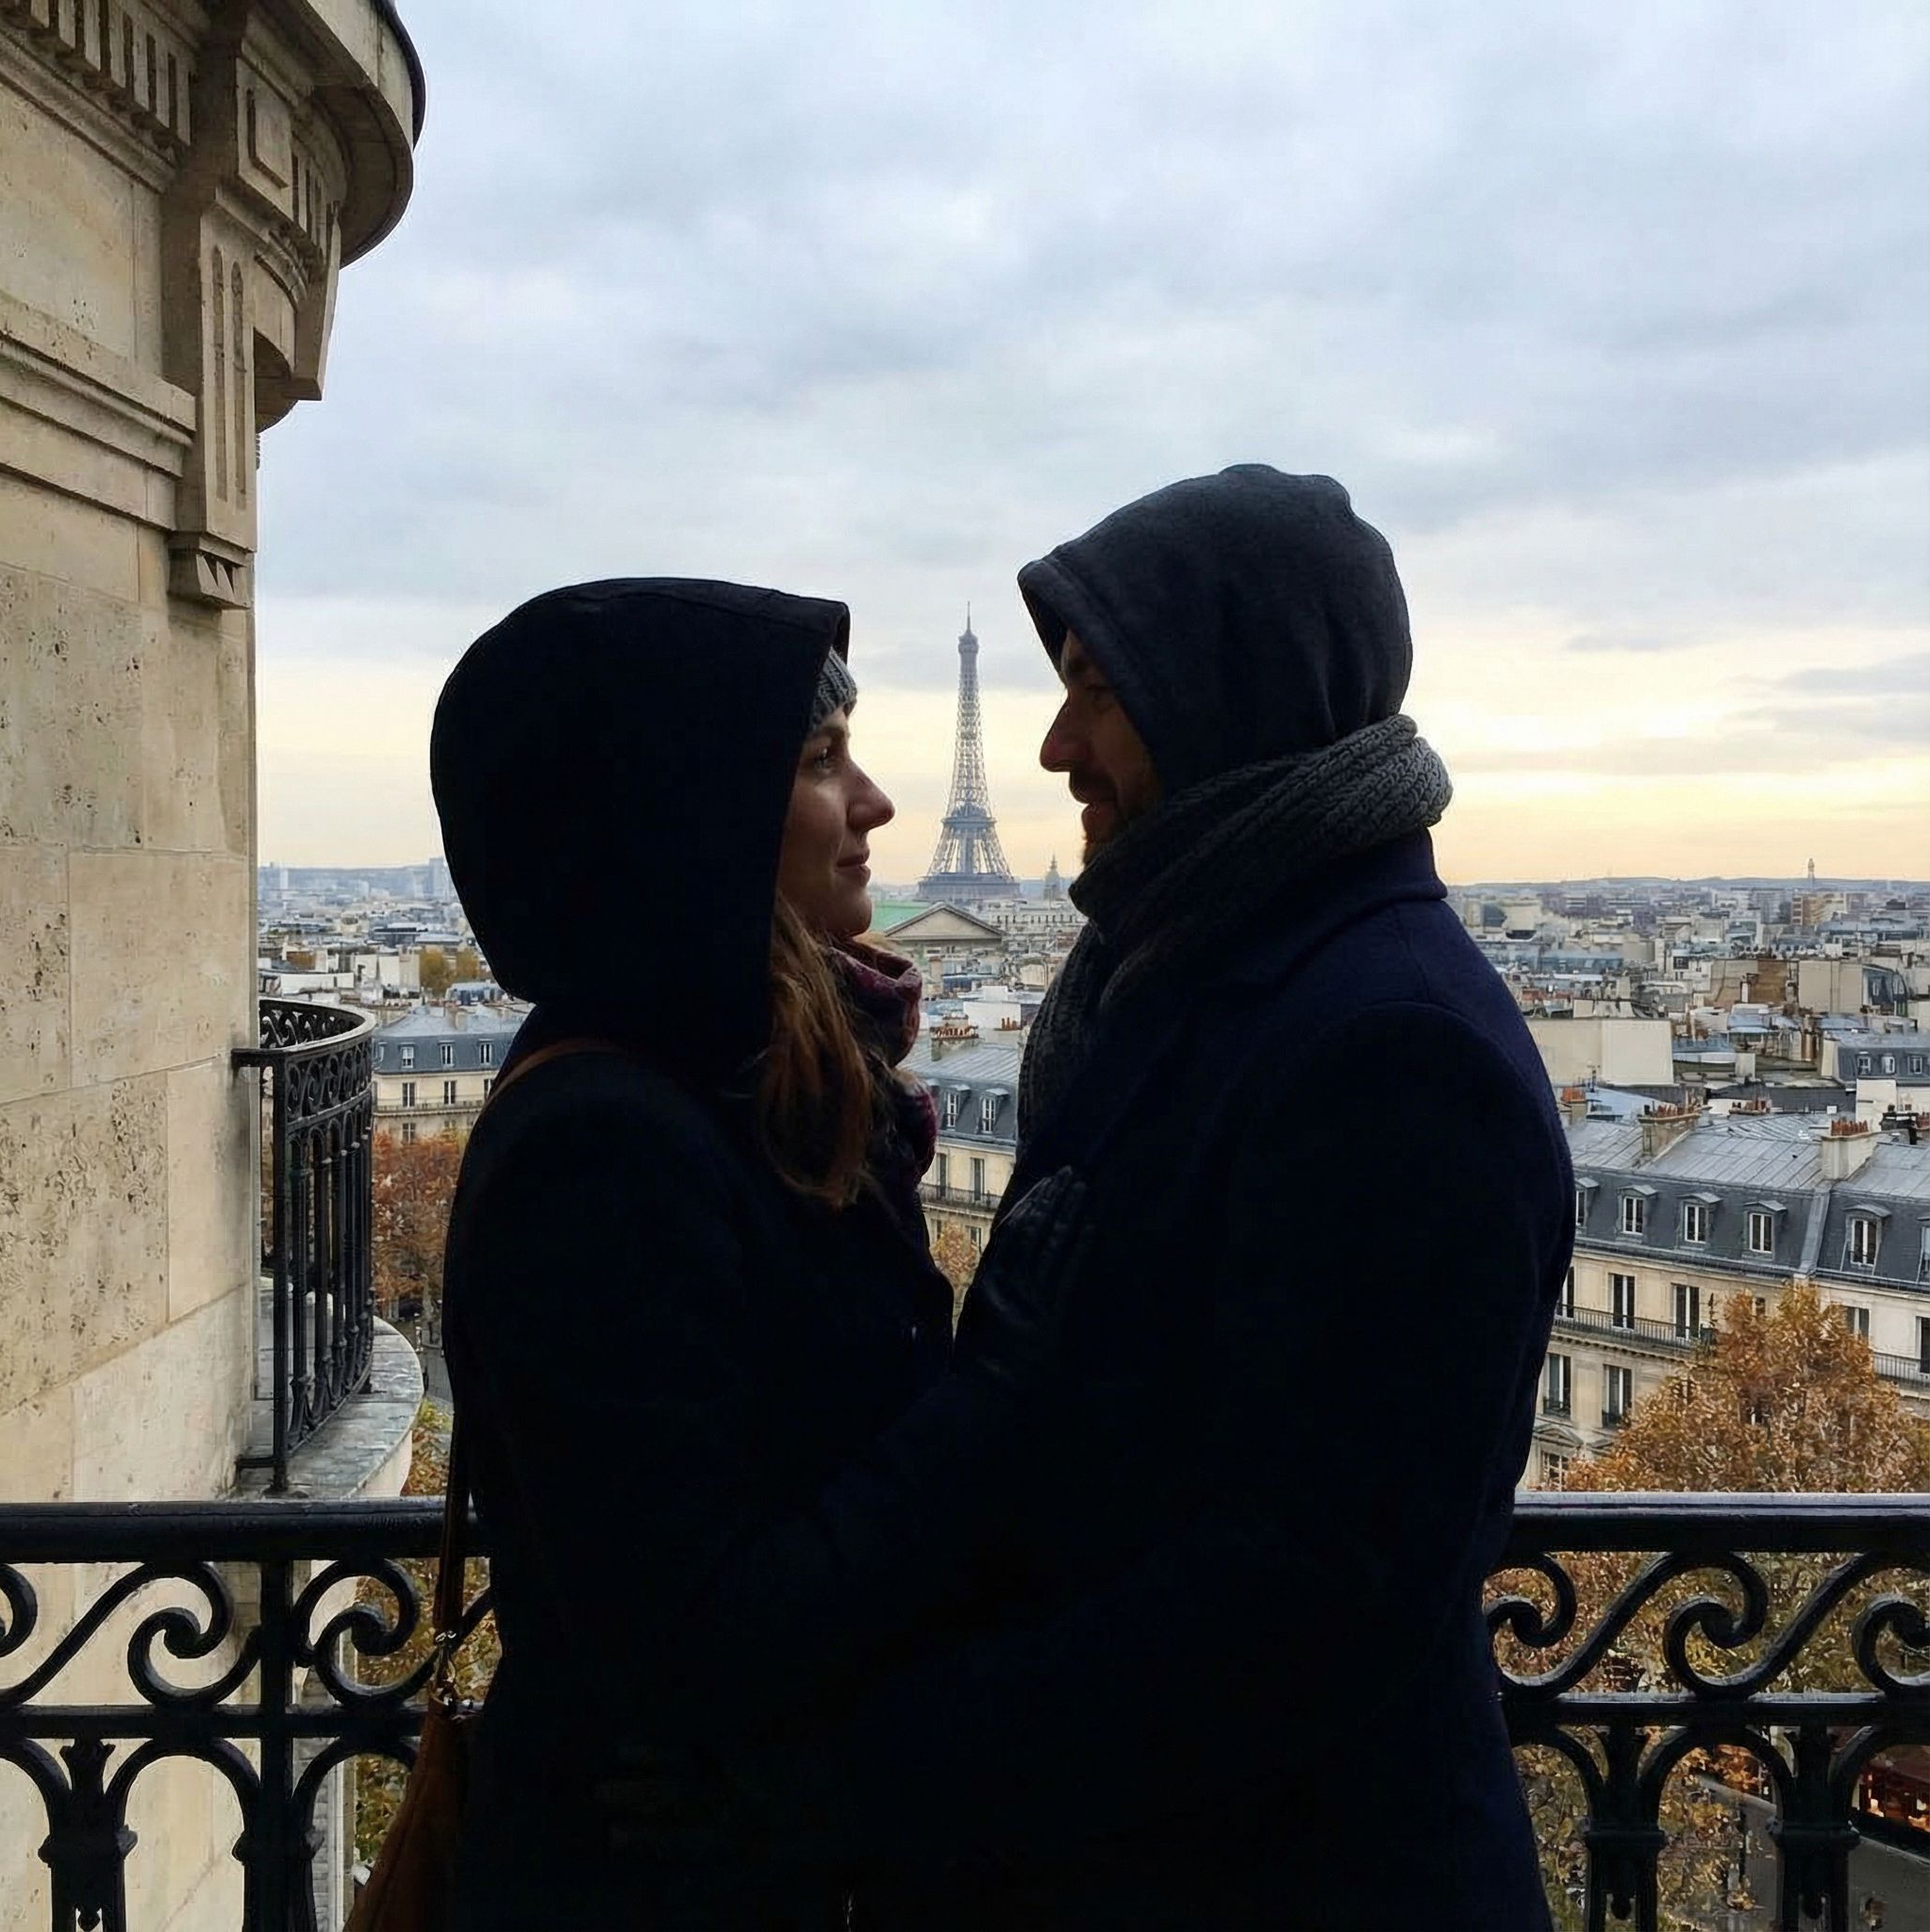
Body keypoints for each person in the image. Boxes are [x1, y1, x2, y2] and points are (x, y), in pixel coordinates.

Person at [612, 470, 1572, 1929]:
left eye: (1101, 692)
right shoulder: (1208, 969)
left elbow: (1297, 1602)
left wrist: (870, 1771)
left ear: (1225, 699)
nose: (1057, 747)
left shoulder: (1392, 1048)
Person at [429, 578, 1086, 1929]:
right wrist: (1007, 1383)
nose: (879, 804)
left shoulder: (767, 1079)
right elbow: (704, 1627)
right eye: (817, 761)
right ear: (691, 808)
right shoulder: (610, 1145)